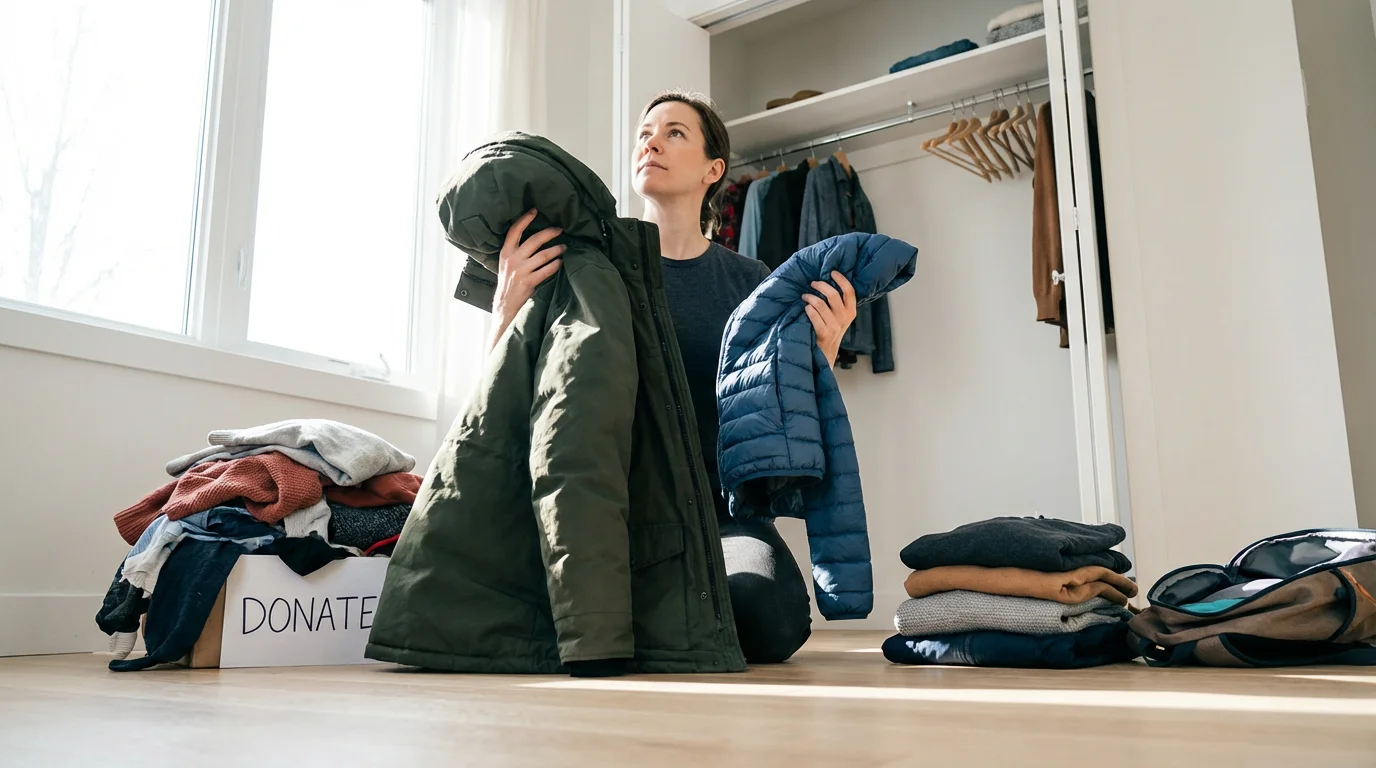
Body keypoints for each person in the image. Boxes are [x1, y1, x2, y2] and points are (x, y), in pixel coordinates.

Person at [485, 90, 857, 664]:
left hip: (717, 517)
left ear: (714, 169)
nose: (651, 141)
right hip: (611, 513)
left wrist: (819, 359)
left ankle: (649, 612)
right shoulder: (593, 267)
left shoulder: (750, 281)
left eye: (675, 132)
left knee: (766, 618)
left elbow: (768, 420)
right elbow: (515, 393)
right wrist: (506, 308)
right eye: (644, 133)